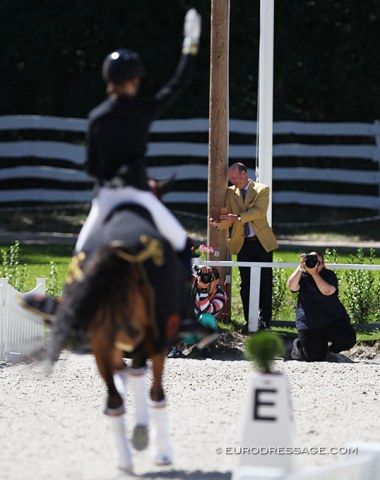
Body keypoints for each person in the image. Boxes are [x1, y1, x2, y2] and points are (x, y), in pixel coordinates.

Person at [21, 9, 217, 346]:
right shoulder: (143, 110)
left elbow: (92, 167)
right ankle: (185, 313)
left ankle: (67, 306)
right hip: (140, 196)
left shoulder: (96, 117)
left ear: (108, 79)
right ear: (135, 79)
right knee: (182, 245)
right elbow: (178, 84)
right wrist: (190, 48)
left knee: (82, 250)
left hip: (107, 199)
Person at [209, 162, 278, 332]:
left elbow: (259, 213)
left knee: (265, 283)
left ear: (244, 174)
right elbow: (228, 219)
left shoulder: (262, 189)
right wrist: (218, 224)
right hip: (243, 244)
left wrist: (238, 217)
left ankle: (265, 321)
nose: (232, 181)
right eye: (230, 178)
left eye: (234, 177)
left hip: (262, 244)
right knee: (245, 284)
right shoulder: (230, 192)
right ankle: (250, 320)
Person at [287, 251, 356, 362]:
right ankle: (299, 344)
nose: (314, 264)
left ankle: (331, 351)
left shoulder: (329, 275)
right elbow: (292, 286)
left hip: (332, 321)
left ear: (323, 264)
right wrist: (300, 267)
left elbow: (328, 291)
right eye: (310, 261)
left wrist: (314, 274)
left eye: (317, 262)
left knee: (348, 339)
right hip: (310, 324)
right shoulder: (302, 276)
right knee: (315, 357)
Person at [168, 266, 226, 358]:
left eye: (211, 278)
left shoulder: (220, 296)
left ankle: (205, 346)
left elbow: (205, 310)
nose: (208, 281)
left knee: (206, 317)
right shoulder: (195, 283)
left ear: (217, 281)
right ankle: (177, 347)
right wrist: (196, 267)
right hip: (188, 331)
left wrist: (203, 289)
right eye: (204, 277)